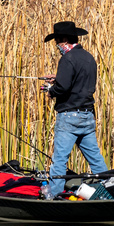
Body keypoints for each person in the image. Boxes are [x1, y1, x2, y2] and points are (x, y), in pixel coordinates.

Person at [40, 21, 109, 198]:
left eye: (58, 41)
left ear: (65, 40)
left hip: (69, 117)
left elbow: (62, 88)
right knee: (95, 158)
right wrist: (58, 78)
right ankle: (109, 188)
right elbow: (77, 81)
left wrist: (50, 89)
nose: (57, 46)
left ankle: (53, 194)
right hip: (87, 116)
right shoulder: (88, 57)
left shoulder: (67, 59)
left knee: (59, 159)